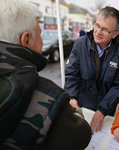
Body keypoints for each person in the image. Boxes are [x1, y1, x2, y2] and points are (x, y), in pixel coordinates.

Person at [0, 0, 91, 150]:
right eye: (40, 35)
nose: (42, 41)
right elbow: (81, 135)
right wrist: (73, 109)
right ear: (27, 39)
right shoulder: (51, 100)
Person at [64, 6, 119, 133]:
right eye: (97, 25)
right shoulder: (80, 44)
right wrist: (72, 97)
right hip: (81, 109)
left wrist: (103, 110)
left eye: (104, 29)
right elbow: (72, 74)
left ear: (115, 34)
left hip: (105, 114)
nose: (98, 31)